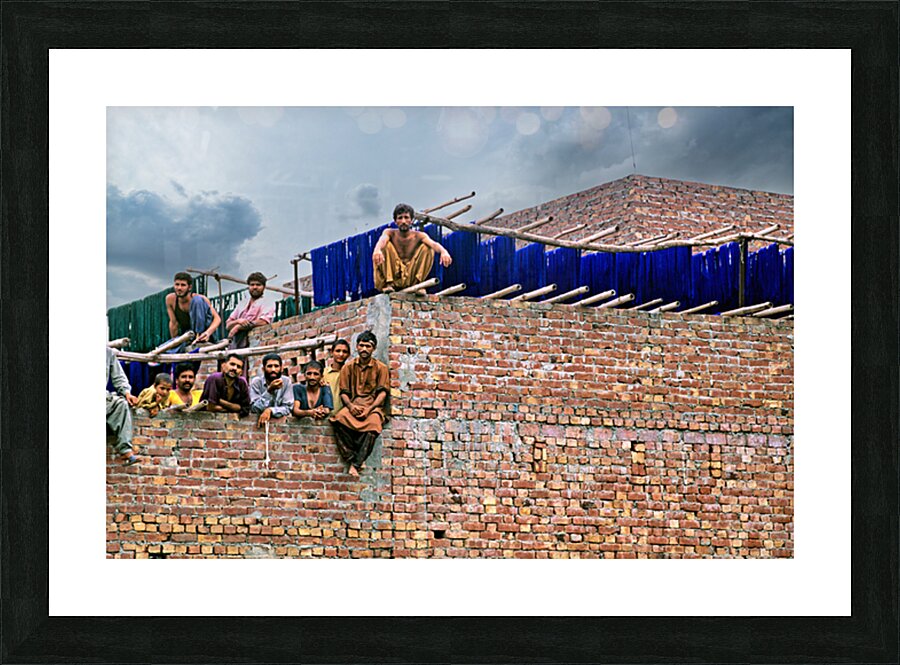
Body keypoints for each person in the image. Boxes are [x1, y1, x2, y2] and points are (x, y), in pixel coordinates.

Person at [329, 331, 390, 477]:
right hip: (353, 405)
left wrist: (370, 409)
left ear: (373, 348)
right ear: (356, 346)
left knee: (374, 425)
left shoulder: (381, 368)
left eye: (368, 346)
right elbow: (344, 392)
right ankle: (352, 457)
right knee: (338, 420)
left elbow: (382, 393)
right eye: (361, 345)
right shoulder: (348, 367)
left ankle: (355, 464)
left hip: (373, 406)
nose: (364, 349)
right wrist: (350, 406)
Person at [372, 203, 453, 292]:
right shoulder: (389, 232)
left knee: (427, 248)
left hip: (410, 276)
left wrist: (444, 251)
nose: (403, 221)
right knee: (383, 246)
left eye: (406, 217)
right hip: (393, 275)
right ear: (395, 221)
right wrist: (377, 250)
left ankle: (418, 285)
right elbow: (382, 240)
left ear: (411, 220)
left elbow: (433, 244)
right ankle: (388, 284)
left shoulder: (419, 236)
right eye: (400, 218)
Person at [164, 271, 221, 348]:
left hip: (206, 336)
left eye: (183, 285)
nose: (179, 288)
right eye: (177, 284)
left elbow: (217, 319)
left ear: (189, 287)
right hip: (188, 336)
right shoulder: (170, 300)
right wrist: (174, 343)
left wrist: (208, 333)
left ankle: (199, 336)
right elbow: (173, 323)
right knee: (163, 348)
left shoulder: (201, 299)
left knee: (197, 300)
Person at [106, 347, 140, 466]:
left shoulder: (107, 352)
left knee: (121, 404)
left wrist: (127, 393)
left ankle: (126, 451)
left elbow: (119, 377)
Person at [225, 272, 276, 349]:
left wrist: (238, 327)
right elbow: (228, 325)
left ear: (264, 287)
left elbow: (264, 321)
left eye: (258, 285)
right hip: (236, 343)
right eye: (252, 285)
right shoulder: (242, 303)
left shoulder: (267, 302)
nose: (255, 287)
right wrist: (238, 321)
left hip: (257, 342)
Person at [249, 353, 293, 428]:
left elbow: (288, 408)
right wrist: (269, 391)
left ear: (281, 368)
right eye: (269, 366)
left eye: (276, 366)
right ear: (263, 369)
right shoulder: (256, 382)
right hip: (257, 427)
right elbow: (254, 408)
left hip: (281, 427)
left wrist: (270, 410)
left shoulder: (286, 382)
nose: (273, 369)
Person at [323, 339, 350, 415]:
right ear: (332, 352)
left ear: (348, 354)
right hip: (326, 416)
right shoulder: (323, 373)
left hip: (345, 417)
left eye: (344, 352)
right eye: (338, 351)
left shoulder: (350, 373)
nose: (341, 354)